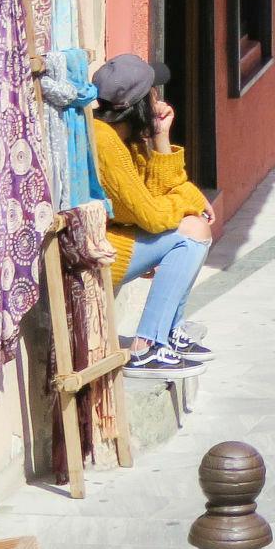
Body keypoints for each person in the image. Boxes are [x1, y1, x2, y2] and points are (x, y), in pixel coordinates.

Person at [90, 55, 214, 376]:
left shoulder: (123, 136)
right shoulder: (105, 143)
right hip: (104, 252)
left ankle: (169, 332)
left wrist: (160, 138)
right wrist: (190, 202)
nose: (157, 99)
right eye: (152, 93)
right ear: (139, 103)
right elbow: (152, 216)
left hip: (118, 239)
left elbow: (158, 194)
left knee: (194, 225)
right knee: (194, 232)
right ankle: (148, 347)